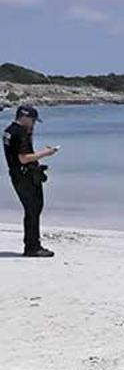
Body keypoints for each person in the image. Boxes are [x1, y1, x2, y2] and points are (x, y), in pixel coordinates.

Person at [3, 105, 58, 257]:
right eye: (32, 120)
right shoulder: (20, 133)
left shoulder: (9, 130)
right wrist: (46, 153)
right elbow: (23, 158)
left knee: (32, 210)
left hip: (17, 174)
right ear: (24, 117)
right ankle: (32, 247)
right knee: (33, 209)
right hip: (24, 175)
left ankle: (32, 244)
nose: (33, 124)